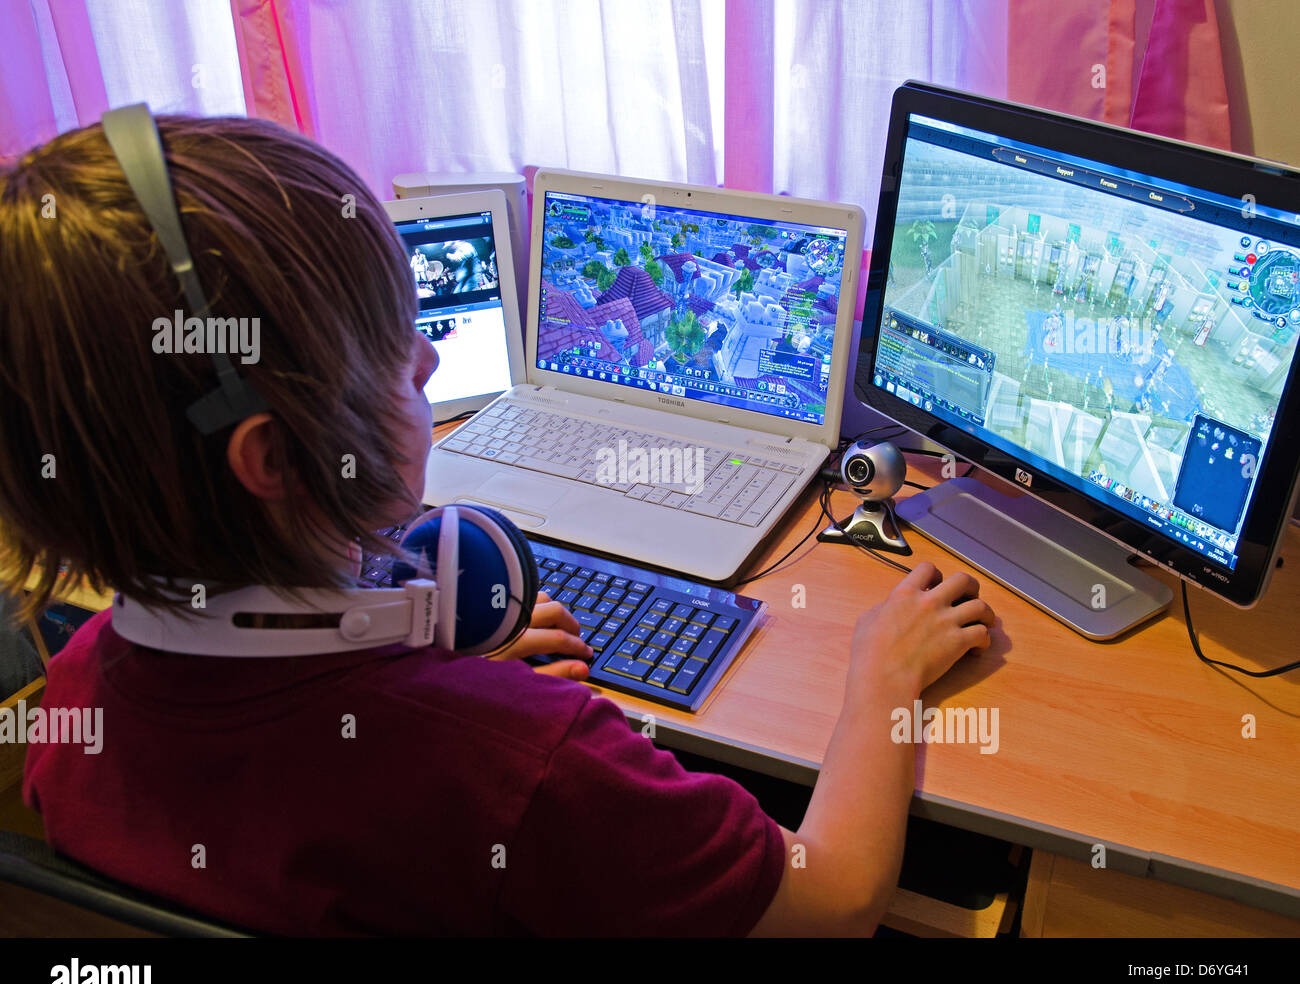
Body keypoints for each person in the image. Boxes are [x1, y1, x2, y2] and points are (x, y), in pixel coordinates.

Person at [0, 114, 996, 936]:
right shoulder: (527, 761)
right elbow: (830, 898)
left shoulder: (75, 684)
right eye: (395, 352)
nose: (429, 369)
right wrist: (881, 682)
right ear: (270, 457)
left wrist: (445, 691)